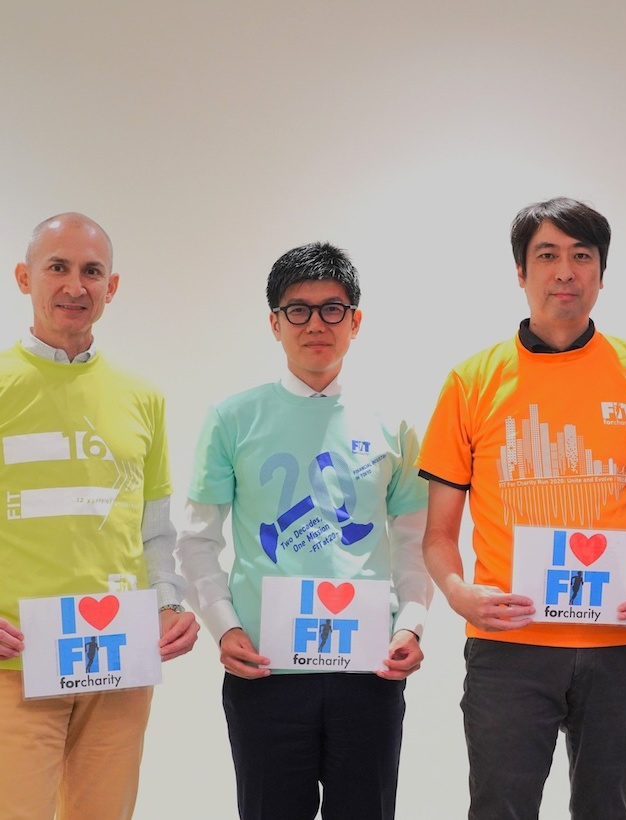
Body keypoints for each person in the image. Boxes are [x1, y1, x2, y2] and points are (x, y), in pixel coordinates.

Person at [418, 197, 626, 820]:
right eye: (547, 255)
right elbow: (438, 533)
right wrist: (459, 593)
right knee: (500, 808)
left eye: (582, 256)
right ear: (521, 271)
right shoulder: (472, 381)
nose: (565, 271)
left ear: (601, 273)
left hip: (620, 640)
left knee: (608, 808)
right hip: (510, 642)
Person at [176, 242, 431, 820]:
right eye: (298, 310)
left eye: (332, 309)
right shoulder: (231, 418)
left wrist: (411, 625)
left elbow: (414, 540)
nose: (316, 324)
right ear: (275, 323)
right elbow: (196, 539)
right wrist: (225, 627)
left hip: (369, 666)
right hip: (265, 667)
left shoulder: (394, 424)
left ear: (355, 321)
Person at [0, 212, 199, 819]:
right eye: (57, 267)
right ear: (24, 278)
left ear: (111, 287)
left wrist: (168, 604)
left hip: (118, 659)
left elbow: (154, 530)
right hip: (14, 662)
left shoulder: (144, 397)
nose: (75, 285)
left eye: (91, 272)